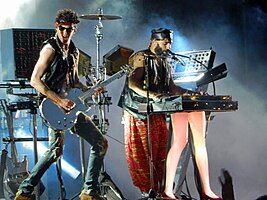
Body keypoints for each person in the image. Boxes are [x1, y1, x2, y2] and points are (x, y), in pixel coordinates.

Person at [14, 8, 107, 200]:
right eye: (62, 29)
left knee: (100, 143)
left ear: (75, 30)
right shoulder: (50, 49)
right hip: (52, 105)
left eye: (69, 29)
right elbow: (35, 80)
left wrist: (90, 88)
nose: (65, 33)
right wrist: (58, 100)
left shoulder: (73, 51)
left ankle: (89, 191)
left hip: (70, 105)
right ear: (57, 27)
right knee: (56, 151)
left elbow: (74, 83)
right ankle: (24, 191)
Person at [119, 28, 222, 200]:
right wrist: (153, 95)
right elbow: (132, 82)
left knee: (160, 151)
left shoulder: (164, 60)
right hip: (138, 110)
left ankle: (163, 191)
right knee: (144, 154)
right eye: (164, 42)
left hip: (158, 108)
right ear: (153, 40)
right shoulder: (140, 57)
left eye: (169, 43)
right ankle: (148, 191)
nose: (167, 46)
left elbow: (172, 88)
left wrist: (191, 94)